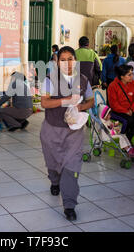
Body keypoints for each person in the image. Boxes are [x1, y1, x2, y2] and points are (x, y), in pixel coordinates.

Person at [40, 46, 94, 221]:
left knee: (71, 166)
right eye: (63, 60)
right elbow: (44, 103)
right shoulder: (49, 80)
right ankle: (54, 181)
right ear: (57, 62)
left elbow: (91, 100)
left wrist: (80, 106)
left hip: (74, 132)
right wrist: (65, 101)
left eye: (70, 59)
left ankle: (69, 205)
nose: (67, 63)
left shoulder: (84, 80)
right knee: (53, 164)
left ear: (75, 60)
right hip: (52, 130)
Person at [107, 64, 134, 143]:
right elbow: (113, 104)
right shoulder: (112, 86)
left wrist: (131, 109)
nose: (132, 76)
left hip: (130, 110)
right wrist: (125, 111)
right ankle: (126, 141)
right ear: (122, 76)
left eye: (132, 74)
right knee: (128, 121)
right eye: (129, 75)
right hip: (117, 111)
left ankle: (127, 139)